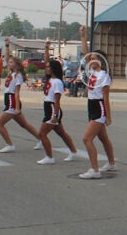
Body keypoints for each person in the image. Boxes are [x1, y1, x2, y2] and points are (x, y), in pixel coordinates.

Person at [77, 26, 117, 179]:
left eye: (94, 58)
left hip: (99, 107)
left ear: (100, 61)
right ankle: (112, 163)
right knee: (103, 138)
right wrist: (83, 36)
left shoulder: (104, 76)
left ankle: (94, 170)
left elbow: (106, 98)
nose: (90, 59)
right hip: (91, 104)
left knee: (87, 139)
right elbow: (86, 53)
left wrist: (108, 116)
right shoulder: (92, 71)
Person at [35, 41, 82, 165]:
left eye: (49, 67)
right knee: (61, 133)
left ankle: (49, 157)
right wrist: (46, 48)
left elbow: (57, 101)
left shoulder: (57, 82)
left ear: (54, 69)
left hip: (52, 109)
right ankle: (73, 151)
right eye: (47, 67)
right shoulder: (51, 79)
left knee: (42, 134)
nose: (47, 68)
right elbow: (46, 61)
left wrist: (55, 115)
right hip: (48, 107)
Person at [0, 40, 41, 153]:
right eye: (9, 62)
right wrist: (7, 45)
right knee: (24, 125)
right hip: (9, 100)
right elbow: (6, 58)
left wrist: (17, 108)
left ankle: (10, 144)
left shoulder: (18, 76)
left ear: (15, 64)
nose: (8, 63)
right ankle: (41, 139)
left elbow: (16, 92)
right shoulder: (12, 73)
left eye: (11, 62)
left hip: (12, 102)